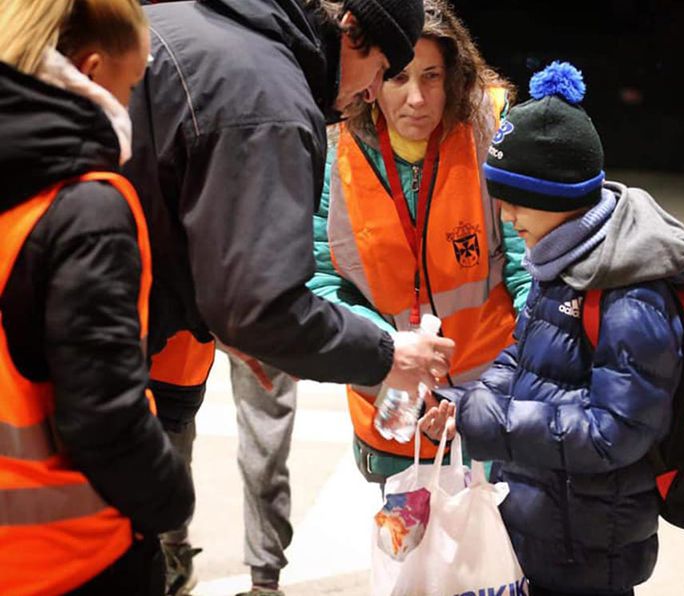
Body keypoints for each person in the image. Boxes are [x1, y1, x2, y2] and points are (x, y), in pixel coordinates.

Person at [121, 1, 457, 594]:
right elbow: (260, 307)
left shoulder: (191, 25)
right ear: (350, 31)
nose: (371, 92)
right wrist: (389, 353)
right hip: (81, 350)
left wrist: (217, 315)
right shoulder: (268, 98)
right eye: (382, 70)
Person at [225, 1, 530, 592]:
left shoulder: (490, 135)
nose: (415, 99)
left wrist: (507, 383)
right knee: (409, 562)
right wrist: (390, 348)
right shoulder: (332, 147)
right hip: (391, 401)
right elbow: (316, 277)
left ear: (456, 78)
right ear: (372, 78)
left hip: (489, 400)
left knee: (495, 561)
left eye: (432, 77)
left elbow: (525, 266)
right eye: (398, 76)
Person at [426, 62, 684, 596]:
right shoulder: (560, 262)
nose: (505, 215)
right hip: (541, 522)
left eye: (514, 198)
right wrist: (463, 406)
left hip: (589, 545)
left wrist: (491, 421)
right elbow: (519, 356)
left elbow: (615, 431)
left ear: (557, 197)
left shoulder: (631, 290)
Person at [0, 1, 194, 594]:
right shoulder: (88, 208)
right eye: (133, 84)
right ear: (88, 71)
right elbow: (104, 420)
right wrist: (170, 498)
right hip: (74, 555)